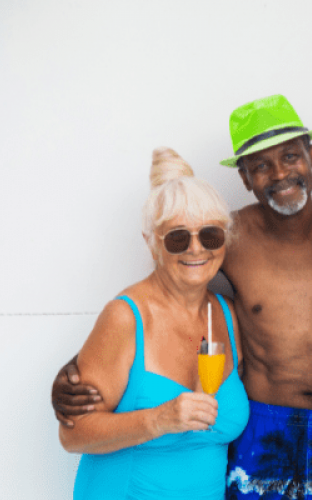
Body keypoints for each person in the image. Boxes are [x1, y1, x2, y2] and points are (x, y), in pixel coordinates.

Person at [53, 95, 312, 500]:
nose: (279, 173)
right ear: (243, 178)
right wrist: (75, 373)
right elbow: (160, 298)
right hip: (261, 429)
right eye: (260, 166)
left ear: (311, 154)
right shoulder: (232, 236)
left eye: (291, 156)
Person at [58, 148, 249, 499]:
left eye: (210, 235)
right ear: (152, 244)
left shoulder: (226, 315)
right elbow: (72, 434)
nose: (196, 249)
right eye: (178, 237)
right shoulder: (125, 317)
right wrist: (159, 419)